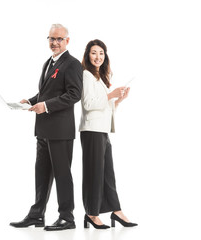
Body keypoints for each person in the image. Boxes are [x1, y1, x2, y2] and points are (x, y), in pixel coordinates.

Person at [9, 24, 82, 231]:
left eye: (59, 39)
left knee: (62, 174)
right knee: (41, 173)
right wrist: (30, 101)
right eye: (51, 38)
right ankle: (37, 215)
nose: (54, 43)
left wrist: (46, 106)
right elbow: (46, 92)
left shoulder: (73, 64)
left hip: (60, 131)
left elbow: (74, 95)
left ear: (67, 41)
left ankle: (67, 217)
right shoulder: (47, 63)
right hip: (43, 129)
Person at [79, 39, 137, 229]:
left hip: (102, 131)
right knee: (94, 174)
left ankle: (115, 210)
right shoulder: (86, 75)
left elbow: (104, 107)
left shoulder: (100, 78)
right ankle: (92, 214)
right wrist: (111, 95)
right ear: (88, 55)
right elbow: (88, 104)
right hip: (91, 131)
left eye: (101, 53)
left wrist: (118, 100)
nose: (98, 57)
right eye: (94, 53)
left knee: (107, 174)